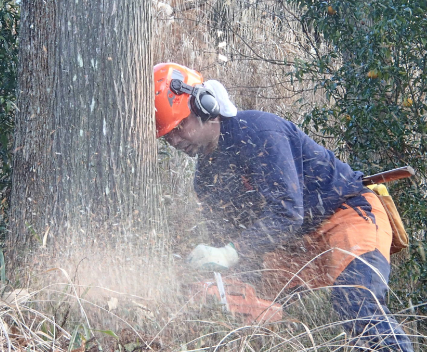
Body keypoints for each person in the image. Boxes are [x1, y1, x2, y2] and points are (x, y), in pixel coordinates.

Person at [154, 62, 413, 351]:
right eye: (167, 135)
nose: (174, 140)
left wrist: (231, 252)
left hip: (345, 214)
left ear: (204, 106)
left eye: (179, 127)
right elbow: (232, 237)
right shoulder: (206, 177)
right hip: (293, 243)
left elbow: (287, 212)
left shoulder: (258, 131)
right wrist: (221, 267)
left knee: (357, 303)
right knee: (265, 313)